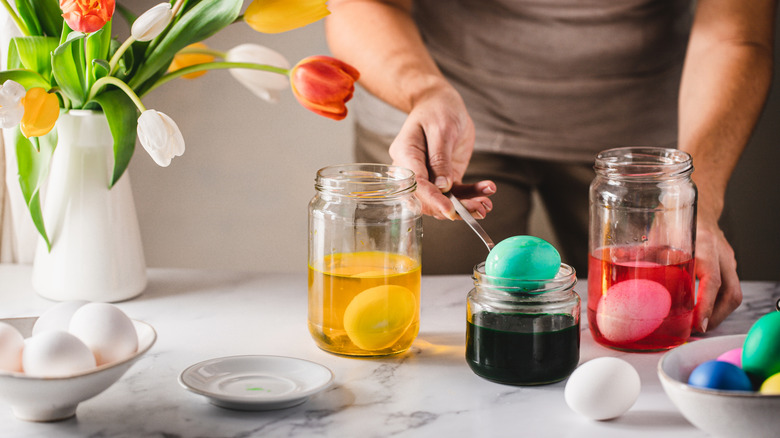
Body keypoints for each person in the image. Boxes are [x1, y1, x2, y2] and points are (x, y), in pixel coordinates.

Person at [325, 0, 777, 332]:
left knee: (685, 315)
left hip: (640, 158)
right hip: (445, 123)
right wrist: (424, 93)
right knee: (424, 322)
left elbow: (735, 34)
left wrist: (695, 194)